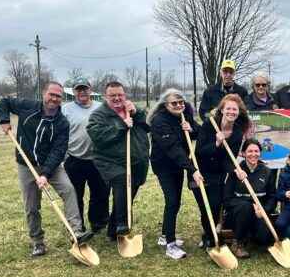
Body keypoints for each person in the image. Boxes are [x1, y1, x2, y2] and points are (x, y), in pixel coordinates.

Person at [0, 81, 93, 257]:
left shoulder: (62, 122)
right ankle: (37, 242)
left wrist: (45, 174)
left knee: (69, 190)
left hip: (51, 165)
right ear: (44, 94)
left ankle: (77, 233)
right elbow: (5, 102)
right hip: (26, 165)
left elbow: (58, 151)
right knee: (32, 206)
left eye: (58, 96)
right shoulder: (27, 107)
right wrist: (3, 120)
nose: (54, 98)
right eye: (52, 94)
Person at [86, 81, 150, 242]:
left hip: (136, 162)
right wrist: (122, 125)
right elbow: (98, 137)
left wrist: (137, 113)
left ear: (125, 95)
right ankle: (122, 224)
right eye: (112, 95)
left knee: (128, 194)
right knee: (122, 182)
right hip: (110, 161)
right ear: (105, 97)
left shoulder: (132, 110)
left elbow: (148, 126)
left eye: (120, 95)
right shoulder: (98, 115)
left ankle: (112, 231)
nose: (117, 98)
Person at [148, 88, 204, 259]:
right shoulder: (159, 121)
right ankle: (170, 245)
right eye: (174, 103)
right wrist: (192, 170)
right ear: (165, 104)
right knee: (172, 201)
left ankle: (165, 235)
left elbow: (200, 132)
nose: (179, 105)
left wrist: (191, 128)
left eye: (181, 102)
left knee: (175, 201)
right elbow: (173, 148)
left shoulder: (184, 114)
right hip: (164, 165)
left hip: (178, 164)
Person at [193, 94, 251, 248]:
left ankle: (211, 235)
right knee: (207, 206)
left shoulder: (237, 132)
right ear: (222, 110)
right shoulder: (209, 125)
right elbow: (199, 151)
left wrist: (235, 170)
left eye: (235, 109)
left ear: (239, 112)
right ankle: (209, 237)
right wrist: (217, 143)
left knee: (216, 204)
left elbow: (228, 159)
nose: (232, 111)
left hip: (219, 173)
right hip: (201, 171)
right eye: (229, 108)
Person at [61, 77, 109, 233]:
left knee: (100, 193)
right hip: (75, 159)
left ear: (90, 89)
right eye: (79, 89)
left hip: (98, 159)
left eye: (85, 88)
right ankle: (77, 226)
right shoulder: (66, 109)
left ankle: (98, 223)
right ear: (74, 91)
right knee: (75, 195)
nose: (82, 92)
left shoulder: (101, 107)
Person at [223, 139, 276, 258]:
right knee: (245, 207)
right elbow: (227, 200)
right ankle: (238, 243)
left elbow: (272, 197)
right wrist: (250, 206)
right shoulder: (236, 172)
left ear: (260, 153)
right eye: (250, 151)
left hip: (259, 214)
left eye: (256, 151)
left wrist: (264, 210)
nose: (253, 154)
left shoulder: (267, 172)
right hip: (237, 214)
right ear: (243, 153)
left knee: (264, 238)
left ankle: (250, 236)